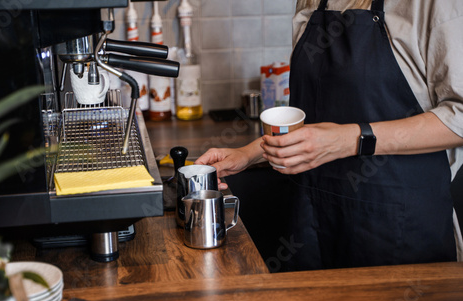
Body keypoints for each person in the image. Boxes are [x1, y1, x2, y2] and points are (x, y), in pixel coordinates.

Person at [195, 0, 463, 271]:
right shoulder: (311, 2)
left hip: (398, 225)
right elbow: (314, 115)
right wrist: (251, 153)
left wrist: (349, 140)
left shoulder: (433, 4)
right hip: (312, 219)